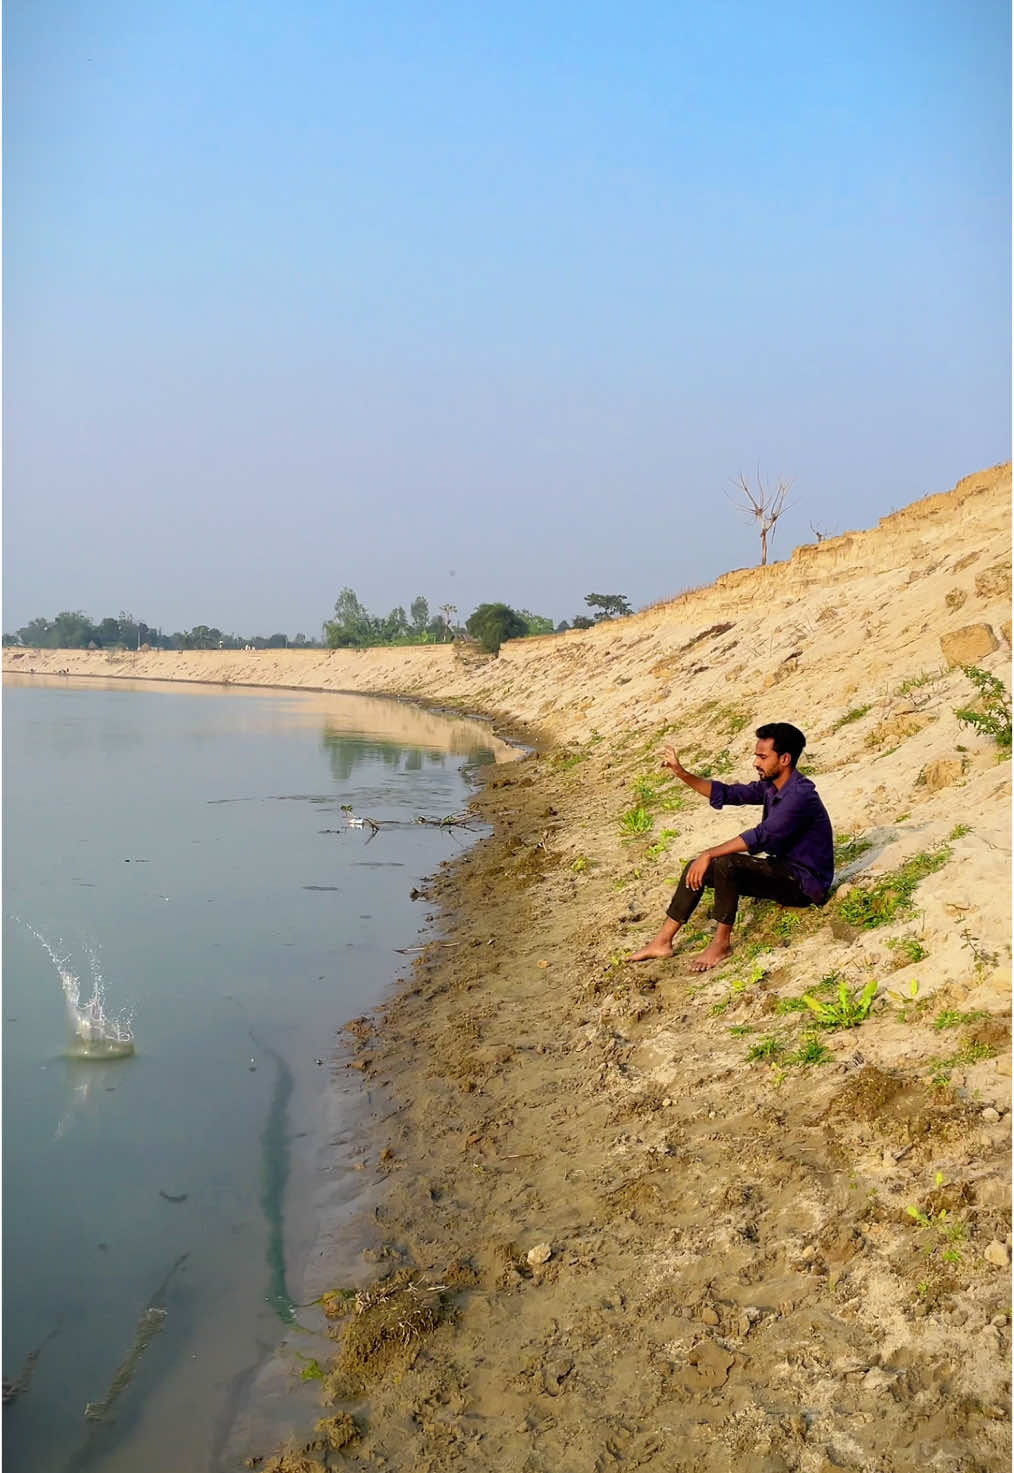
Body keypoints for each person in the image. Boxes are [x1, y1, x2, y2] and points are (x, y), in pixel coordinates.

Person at [629, 722, 833, 972]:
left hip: (804, 884)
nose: (755, 762)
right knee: (699, 866)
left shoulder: (800, 795)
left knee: (727, 863)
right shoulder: (772, 786)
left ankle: (721, 943)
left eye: (762, 756)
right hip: (781, 869)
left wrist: (710, 853)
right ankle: (662, 941)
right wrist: (681, 773)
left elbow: (761, 836)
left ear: (785, 758)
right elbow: (728, 794)